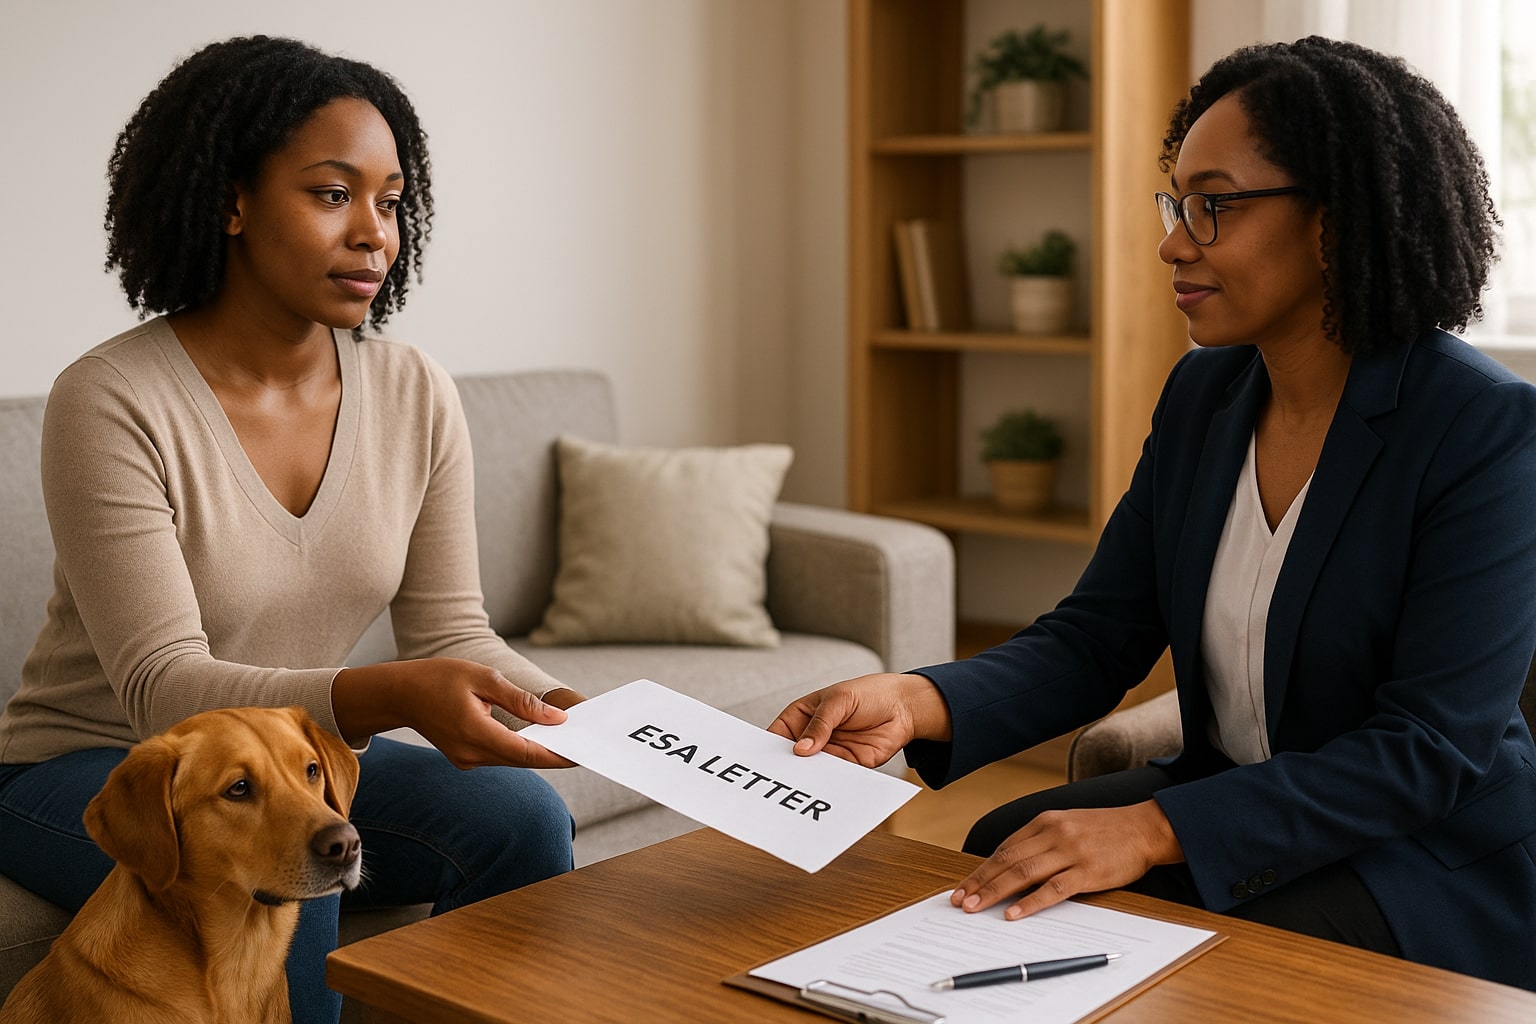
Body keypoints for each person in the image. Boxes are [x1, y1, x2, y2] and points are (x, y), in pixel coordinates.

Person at [772, 36, 1536, 990]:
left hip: (1416, 851)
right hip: (1236, 795)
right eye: (1177, 204)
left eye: (1214, 206)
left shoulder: (1482, 427)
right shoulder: (1204, 397)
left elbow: (1427, 749)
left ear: (1336, 220)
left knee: (1186, 956)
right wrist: (916, 700)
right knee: (1000, 847)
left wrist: (1155, 828)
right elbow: (1097, 636)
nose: (1174, 241)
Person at [0, 36, 585, 1023]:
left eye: (392, 202)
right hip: (102, 760)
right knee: (284, 860)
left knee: (523, 816)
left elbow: (452, 633)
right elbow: (163, 686)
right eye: (331, 194)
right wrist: (390, 690)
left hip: (300, 755)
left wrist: (598, 721)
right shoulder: (110, 399)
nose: (375, 234)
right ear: (232, 200)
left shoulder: (413, 390)